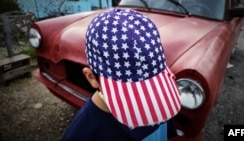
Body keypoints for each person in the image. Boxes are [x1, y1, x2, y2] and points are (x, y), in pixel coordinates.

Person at [61, 8, 181, 141]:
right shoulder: (83, 134)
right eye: (131, 92)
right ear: (91, 77)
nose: (144, 102)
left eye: (152, 85)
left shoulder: (161, 101)